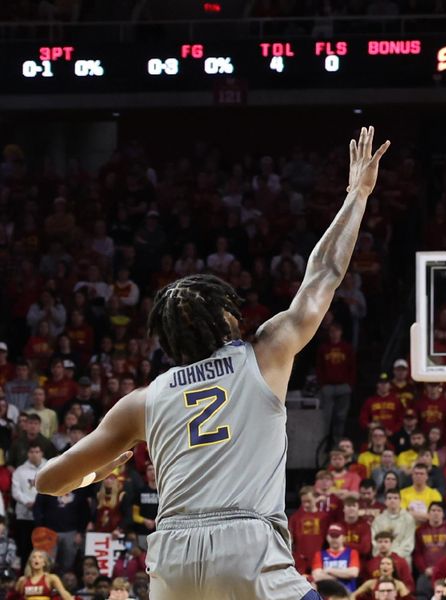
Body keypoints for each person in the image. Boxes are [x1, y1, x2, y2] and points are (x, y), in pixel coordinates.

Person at [33, 127, 390, 600]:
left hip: (173, 553)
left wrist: (98, 473)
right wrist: (356, 196)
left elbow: (48, 480)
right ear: (224, 318)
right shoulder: (265, 354)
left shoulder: (141, 401)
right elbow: (323, 273)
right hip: (246, 543)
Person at [311, 524, 360, 594]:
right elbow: (316, 576)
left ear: (343, 537)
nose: (334, 539)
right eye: (332, 536)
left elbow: (353, 573)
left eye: (337, 536)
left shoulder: (352, 553)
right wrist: (341, 577)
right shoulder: (319, 554)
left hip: (347, 595)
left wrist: (328, 570)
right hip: (326, 595)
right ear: (327, 537)